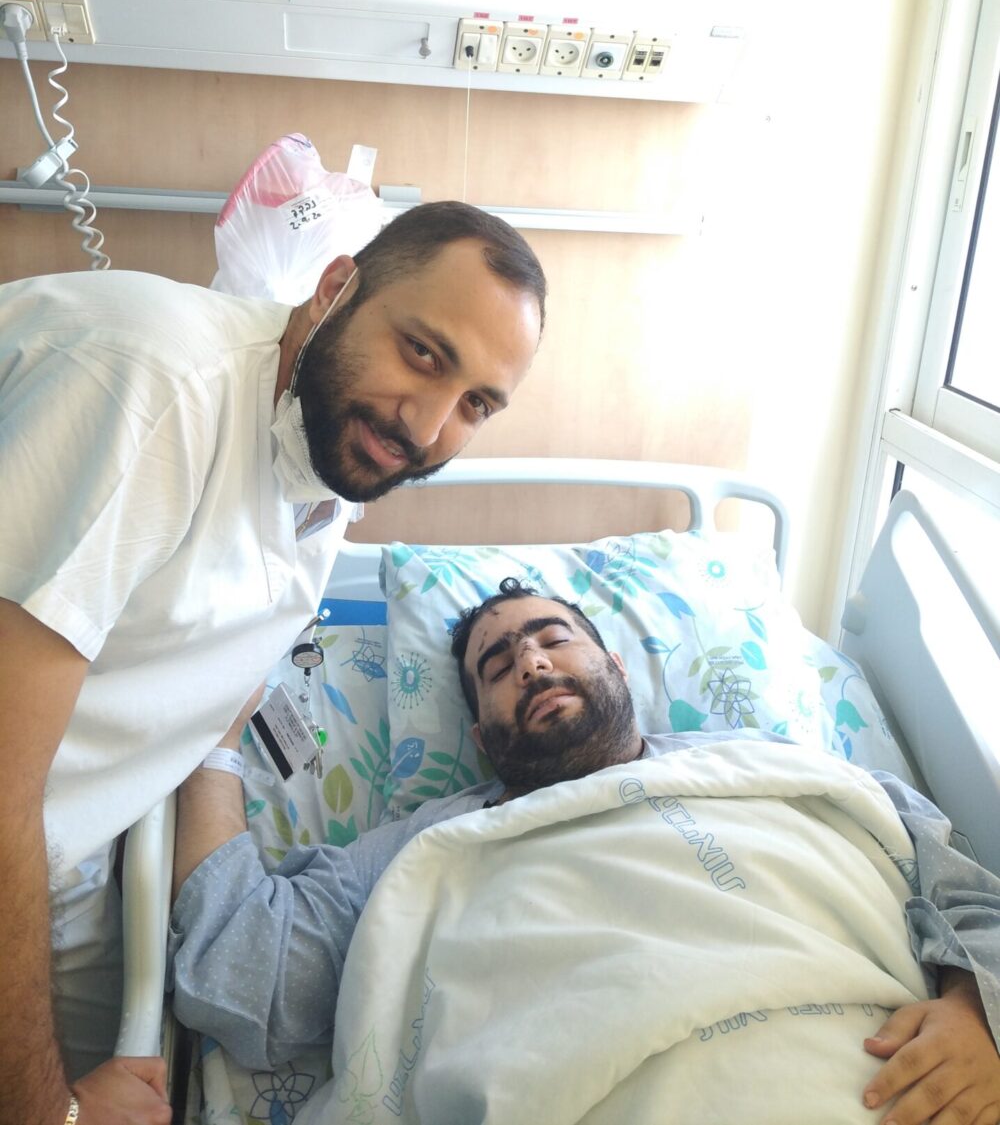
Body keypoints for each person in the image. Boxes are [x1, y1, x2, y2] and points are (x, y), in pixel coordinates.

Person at [0, 204, 545, 1125]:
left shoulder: (330, 455)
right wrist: (50, 1112)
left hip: (69, 841)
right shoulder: (156, 390)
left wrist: (215, 733)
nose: (427, 427)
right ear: (335, 288)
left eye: (476, 405)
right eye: (422, 352)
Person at [170, 579, 1000, 1125]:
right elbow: (243, 974)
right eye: (497, 666)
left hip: (890, 1082)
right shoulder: (428, 847)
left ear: (615, 665)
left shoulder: (773, 766)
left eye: (552, 638)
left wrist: (976, 1011)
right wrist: (213, 742)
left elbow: (959, 883)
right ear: (480, 735)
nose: (530, 662)